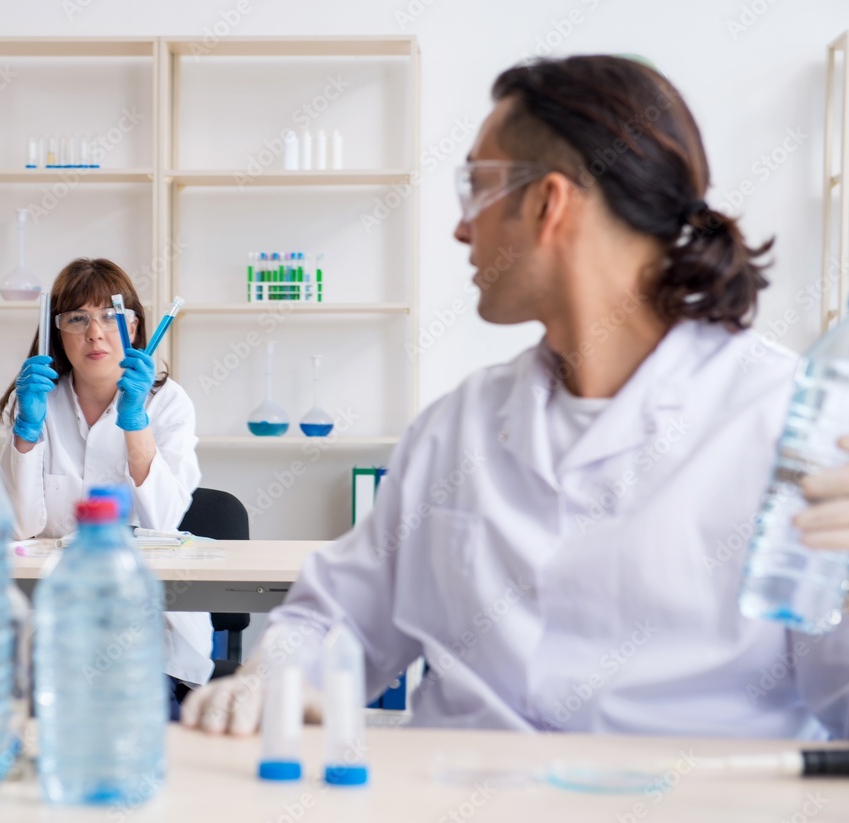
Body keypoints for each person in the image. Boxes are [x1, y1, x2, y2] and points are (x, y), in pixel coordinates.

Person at [183, 55, 849, 738]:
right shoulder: (461, 428)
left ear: (549, 202)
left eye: (476, 187)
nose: (461, 228)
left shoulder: (789, 426)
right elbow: (338, 614)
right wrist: (276, 674)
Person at [0, 257, 214, 698]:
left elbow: (163, 520)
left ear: (133, 329)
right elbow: (20, 528)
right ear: (57, 331)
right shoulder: (36, 400)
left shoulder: (168, 403)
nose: (94, 332)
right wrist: (25, 436)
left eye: (109, 317)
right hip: (55, 625)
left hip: (150, 631)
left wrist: (136, 423)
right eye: (77, 318)